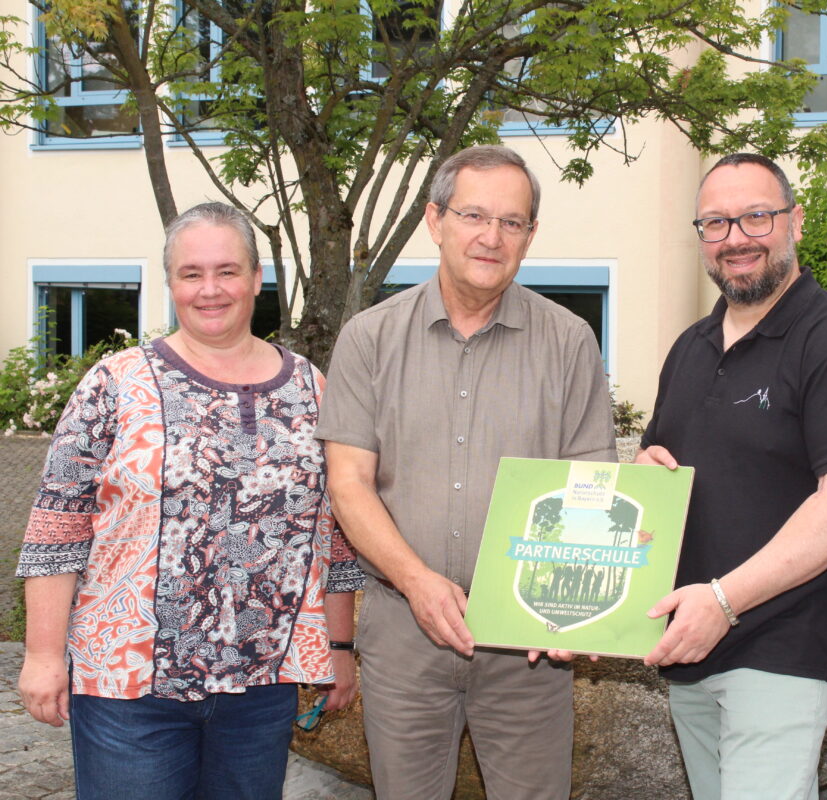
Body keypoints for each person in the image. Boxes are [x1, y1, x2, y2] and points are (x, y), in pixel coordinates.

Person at [15, 202, 363, 800]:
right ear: (171, 281)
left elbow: (334, 534)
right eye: (190, 273)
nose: (209, 290)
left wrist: (338, 648)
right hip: (128, 688)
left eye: (227, 271)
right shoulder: (113, 383)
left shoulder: (311, 386)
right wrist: (44, 656)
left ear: (256, 278)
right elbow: (57, 528)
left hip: (261, 687)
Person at [317, 145, 616, 800]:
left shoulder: (570, 343)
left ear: (530, 235)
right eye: (474, 215)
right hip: (404, 633)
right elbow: (347, 484)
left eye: (512, 222)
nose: (491, 236)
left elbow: (590, 484)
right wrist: (418, 582)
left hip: (527, 644)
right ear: (436, 220)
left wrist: (580, 611)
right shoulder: (368, 339)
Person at [636, 153, 827, 800]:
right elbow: (662, 465)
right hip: (692, 645)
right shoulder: (689, 348)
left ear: (795, 223)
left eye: (756, 216)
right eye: (716, 223)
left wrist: (725, 601)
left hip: (783, 649)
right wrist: (646, 477)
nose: (736, 238)